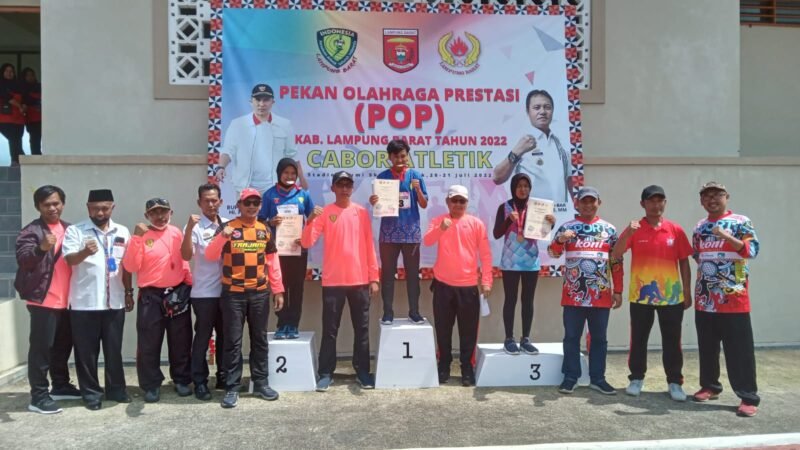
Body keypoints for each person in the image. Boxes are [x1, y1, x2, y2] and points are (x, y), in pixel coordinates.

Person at [611, 185, 693, 402]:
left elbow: (684, 261)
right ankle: (636, 378)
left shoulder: (675, 230)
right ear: (643, 204)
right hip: (641, 296)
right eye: (651, 201)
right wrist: (628, 232)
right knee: (638, 339)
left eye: (660, 201)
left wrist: (687, 290)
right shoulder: (635, 229)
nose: (656, 205)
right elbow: (616, 253)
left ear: (665, 203)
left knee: (672, 341)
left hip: (671, 296)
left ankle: (675, 382)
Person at [205, 188, 285, 408]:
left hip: (259, 293)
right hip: (233, 294)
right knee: (232, 341)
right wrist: (222, 237)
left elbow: (273, 263)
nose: (251, 207)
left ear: (260, 206)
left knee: (259, 339)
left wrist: (278, 290)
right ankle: (232, 387)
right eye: (247, 203)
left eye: (255, 203)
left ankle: (261, 383)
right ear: (239, 205)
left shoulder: (264, 229)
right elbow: (210, 255)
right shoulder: (227, 227)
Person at [301, 171, 379, 392]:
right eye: (340, 185)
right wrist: (310, 220)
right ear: (333, 188)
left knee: (362, 330)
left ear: (352, 188)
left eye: (348, 185)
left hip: (359, 281)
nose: (344, 189)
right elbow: (306, 243)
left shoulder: (361, 212)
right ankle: (326, 373)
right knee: (330, 330)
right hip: (333, 282)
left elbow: (369, 245)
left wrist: (374, 277)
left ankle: (362, 372)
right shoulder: (325, 212)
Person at [691, 181, 760, 417]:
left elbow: (752, 251)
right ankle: (710, 386)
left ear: (726, 197)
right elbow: (698, 256)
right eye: (707, 196)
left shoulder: (741, 222)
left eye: (717, 195)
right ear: (702, 201)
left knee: (739, 351)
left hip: (734, 299)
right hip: (705, 298)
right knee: (707, 348)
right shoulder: (699, 227)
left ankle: (748, 396)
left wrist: (726, 237)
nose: (712, 199)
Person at [63, 189, 134, 410]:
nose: (100, 213)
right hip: (85, 303)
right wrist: (84, 252)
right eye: (95, 208)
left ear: (113, 207)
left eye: (104, 208)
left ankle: (116, 390)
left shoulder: (122, 231)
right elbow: (69, 260)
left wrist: (129, 292)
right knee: (87, 353)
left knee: (114, 350)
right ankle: (91, 394)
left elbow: (126, 266)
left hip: (115, 302)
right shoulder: (75, 230)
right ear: (88, 208)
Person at [548, 186, 623, 395]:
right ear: (577, 204)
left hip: (600, 294)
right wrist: (560, 240)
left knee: (599, 338)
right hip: (573, 294)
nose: (588, 205)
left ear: (599, 203)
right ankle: (570, 377)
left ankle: (598, 378)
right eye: (584, 201)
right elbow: (552, 254)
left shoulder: (609, 230)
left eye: (592, 201)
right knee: (572, 337)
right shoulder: (567, 227)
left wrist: (618, 290)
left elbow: (616, 261)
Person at [14, 185, 79, 414]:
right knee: (41, 350)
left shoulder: (70, 229)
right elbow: (24, 260)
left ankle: (60, 385)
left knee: (63, 346)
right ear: (38, 207)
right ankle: (38, 396)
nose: (52, 208)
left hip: (68, 300)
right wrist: (41, 249)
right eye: (46, 204)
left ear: (63, 204)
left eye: (56, 203)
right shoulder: (31, 231)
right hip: (43, 300)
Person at [122, 197, 193, 403]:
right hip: (150, 296)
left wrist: (188, 285)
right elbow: (131, 266)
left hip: (176, 294)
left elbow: (183, 261)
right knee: (148, 343)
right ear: (147, 216)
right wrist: (137, 238)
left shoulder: (176, 232)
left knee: (181, 340)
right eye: (154, 213)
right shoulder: (141, 235)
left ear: (171, 213)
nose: (160, 216)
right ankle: (151, 385)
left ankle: (181, 379)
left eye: (164, 211)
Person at [423, 185, 493, 387]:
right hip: (443, 286)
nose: (458, 204)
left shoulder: (476, 224)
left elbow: (485, 255)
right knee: (443, 330)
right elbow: (427, 241)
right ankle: (443, 365)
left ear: (467, 203)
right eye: (454, 200)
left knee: (468, 332)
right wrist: (441, 228)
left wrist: (486, 281)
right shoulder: (438, 221)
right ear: (448, 202)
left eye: (462, 201)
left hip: (468, 287)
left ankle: (467, 368)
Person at [493, 173, 555, 355]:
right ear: (513, 188)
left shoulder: (537, 208)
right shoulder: (504, 207)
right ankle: (509, 338)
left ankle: (526, 339)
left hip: (531, 260)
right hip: (510, 261)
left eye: (526, 186)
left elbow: (542, 233)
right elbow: (496, 233)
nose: (523, 189)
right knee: (510, 299)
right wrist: (508, 220)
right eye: (519, 186)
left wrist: (550, 224)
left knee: (528, 300)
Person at [368, 139, 428, 325]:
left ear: (407, 156)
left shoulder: (415, 176)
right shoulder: (383, 177)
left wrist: (418, 190)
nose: (400, 160)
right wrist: (374, 201)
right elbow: (378, 206)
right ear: (390, 157)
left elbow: (424, 204)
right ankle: (388, 313)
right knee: (387, 275)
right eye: (396, 156)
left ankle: (414, 312)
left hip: (411, 234)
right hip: (388, 234)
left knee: (413, 275)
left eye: (403, 156)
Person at [181, 183, 228, 400]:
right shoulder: (195, 227)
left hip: (227, 292)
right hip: (204, 293)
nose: (211, 204)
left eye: (214, 200)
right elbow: (185, 255)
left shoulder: (228, 224)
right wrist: (189, 230)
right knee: (202, 337)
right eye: (206, 200)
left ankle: (223, 376)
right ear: (199, 203)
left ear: (220, 201)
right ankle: (199, 381)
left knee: (226, 337)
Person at [214, 83, 307, 195]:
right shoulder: (237, 125)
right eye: (257, 100)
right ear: (251, 102)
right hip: (245, 188)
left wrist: (302, 179)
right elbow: (228, 151)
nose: (261, 104)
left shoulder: (285, 125)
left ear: (272, 102)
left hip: (276, 187)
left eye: (266, 100)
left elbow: (292, 156)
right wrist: (221, 167)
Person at [258, 158, 314, 339]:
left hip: (298, 250)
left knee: (296, 288)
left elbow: (312, 220)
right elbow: (259, 222)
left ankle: (293, 325)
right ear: (279, 174)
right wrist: (270, 222)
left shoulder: (303, 194)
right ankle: (281, 324)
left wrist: (305, 235)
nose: (289, 176)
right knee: (279, 286)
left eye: (293, 173)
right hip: (277, 251)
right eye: (286, 173)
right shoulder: (269, 195)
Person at [492, 89, 573, 204]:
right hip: (531, 212)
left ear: (552, 111)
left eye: (547, 107)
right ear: (528, 111)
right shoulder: (520, 141)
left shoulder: (561, 143)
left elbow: (569, 180)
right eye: (537, 107)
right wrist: (517, 151)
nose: (542, 111)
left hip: (559, 211)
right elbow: (497, 178)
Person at [0, 63, 25, 165]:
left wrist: (24, 105)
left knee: (17, 140)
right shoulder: (1, 84)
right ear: (2, 72)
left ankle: (17, 162)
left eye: (11, 71)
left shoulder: (18, 85)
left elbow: (26, 98)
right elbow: (7, 97)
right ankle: (21, 161)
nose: (9, 73)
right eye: (7, 71)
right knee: (14, 139)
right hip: (4, 119)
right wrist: (20, 106)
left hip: (19, 119)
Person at [20, 67, 41, 156]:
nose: (30, 77)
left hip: (44, 117)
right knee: (35, 138)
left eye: (32, 75)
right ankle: (36, 156)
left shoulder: (40, 86)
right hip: (31, 118)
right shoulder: (22, 89)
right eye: (28, 75)